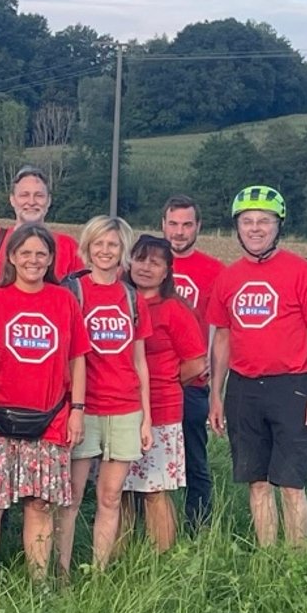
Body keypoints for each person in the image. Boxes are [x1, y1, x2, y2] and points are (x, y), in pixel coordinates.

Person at [0, 223, 88, 600]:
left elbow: (78, 359)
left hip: (50, 417)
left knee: (40, 505)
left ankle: (38, 585)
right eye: (25, 253)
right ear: (12, 256)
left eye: (41, 254)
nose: (33, 260)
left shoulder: (64, 300)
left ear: (51, 259)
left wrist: (77, 410)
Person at [203, 185, 307, 548]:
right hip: (244, 388)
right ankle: (267, 556)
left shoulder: (301, 272)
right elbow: (222, 339)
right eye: (247, 221)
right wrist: (216, 393)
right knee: (256, 481)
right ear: (237, 227)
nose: (255, 228)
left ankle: (296, 558)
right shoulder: (228, 278)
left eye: (264, 221)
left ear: (279, 226)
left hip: (290, 386)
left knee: (291, 483)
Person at [53, 216, 151, 574]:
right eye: (99, 244)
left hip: (124, 407)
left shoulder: (131, 297)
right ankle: (61, 572)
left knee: (110, 497)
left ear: (123, 250)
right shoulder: (72, 292)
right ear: (88, 248)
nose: (105, 251)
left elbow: (139, 361)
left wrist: (146, 418)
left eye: (113, 245)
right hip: (85, 407)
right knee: (72, 497)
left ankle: (98, 571)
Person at [121, 234, 207, 552]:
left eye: (155, 262)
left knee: (154, 489)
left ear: (167, 270)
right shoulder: (118, 299)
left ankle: (163, 557)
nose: (145, 267)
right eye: (140, 259)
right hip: (118, 407)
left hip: (160, 409)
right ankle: (120, 556)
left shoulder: (173, 308)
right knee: (119, 489)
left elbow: (197, 362)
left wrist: (166, 379)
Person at [161, 195, 222, 530]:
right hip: (151, 383)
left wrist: (212, 374)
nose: (179, 232)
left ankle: (198, 529)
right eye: (173, 224)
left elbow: (219, 327)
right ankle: (150, 532)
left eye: (186, 225)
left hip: (192, 382)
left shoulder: (213, 270)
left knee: (194, 460)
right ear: (163, 225)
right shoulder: (147, 262)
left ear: (198, 227)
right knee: (147, 463)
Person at [0, 166, 82, 279]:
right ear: (12, 199)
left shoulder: (68, 246)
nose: (31, 202)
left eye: (39, 196)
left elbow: (80, 290)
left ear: (49, 200)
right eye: (24, 195)